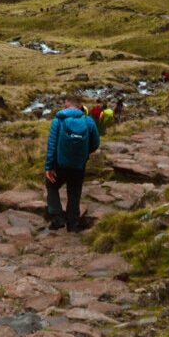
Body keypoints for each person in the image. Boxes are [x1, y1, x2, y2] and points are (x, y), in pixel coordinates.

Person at [43, 94, 100, 233]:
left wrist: (49, 167)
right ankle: (73, 225)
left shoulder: (59, 120)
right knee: (74, 193)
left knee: (51, 185)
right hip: (79, 165)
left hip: (60, 164)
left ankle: (57, 218)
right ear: (80, 107)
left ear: (66, 106)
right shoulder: (88, 121)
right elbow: (95, 144)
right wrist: (84, 154)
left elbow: (52, 145)